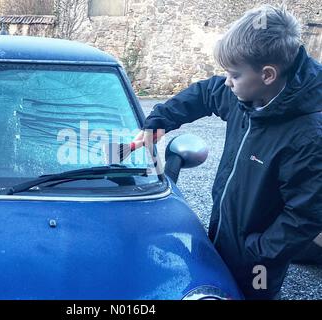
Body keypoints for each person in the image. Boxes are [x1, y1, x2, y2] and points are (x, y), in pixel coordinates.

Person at [134, 4, 322, 300]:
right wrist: (159, 121)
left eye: (233, 74)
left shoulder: (308, 136)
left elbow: (306, 214)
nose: (226, 81)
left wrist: (255, 251)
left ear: (268, 75)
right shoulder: (245, 93)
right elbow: (206, 92)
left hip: (259, 265)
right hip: (224, 236)